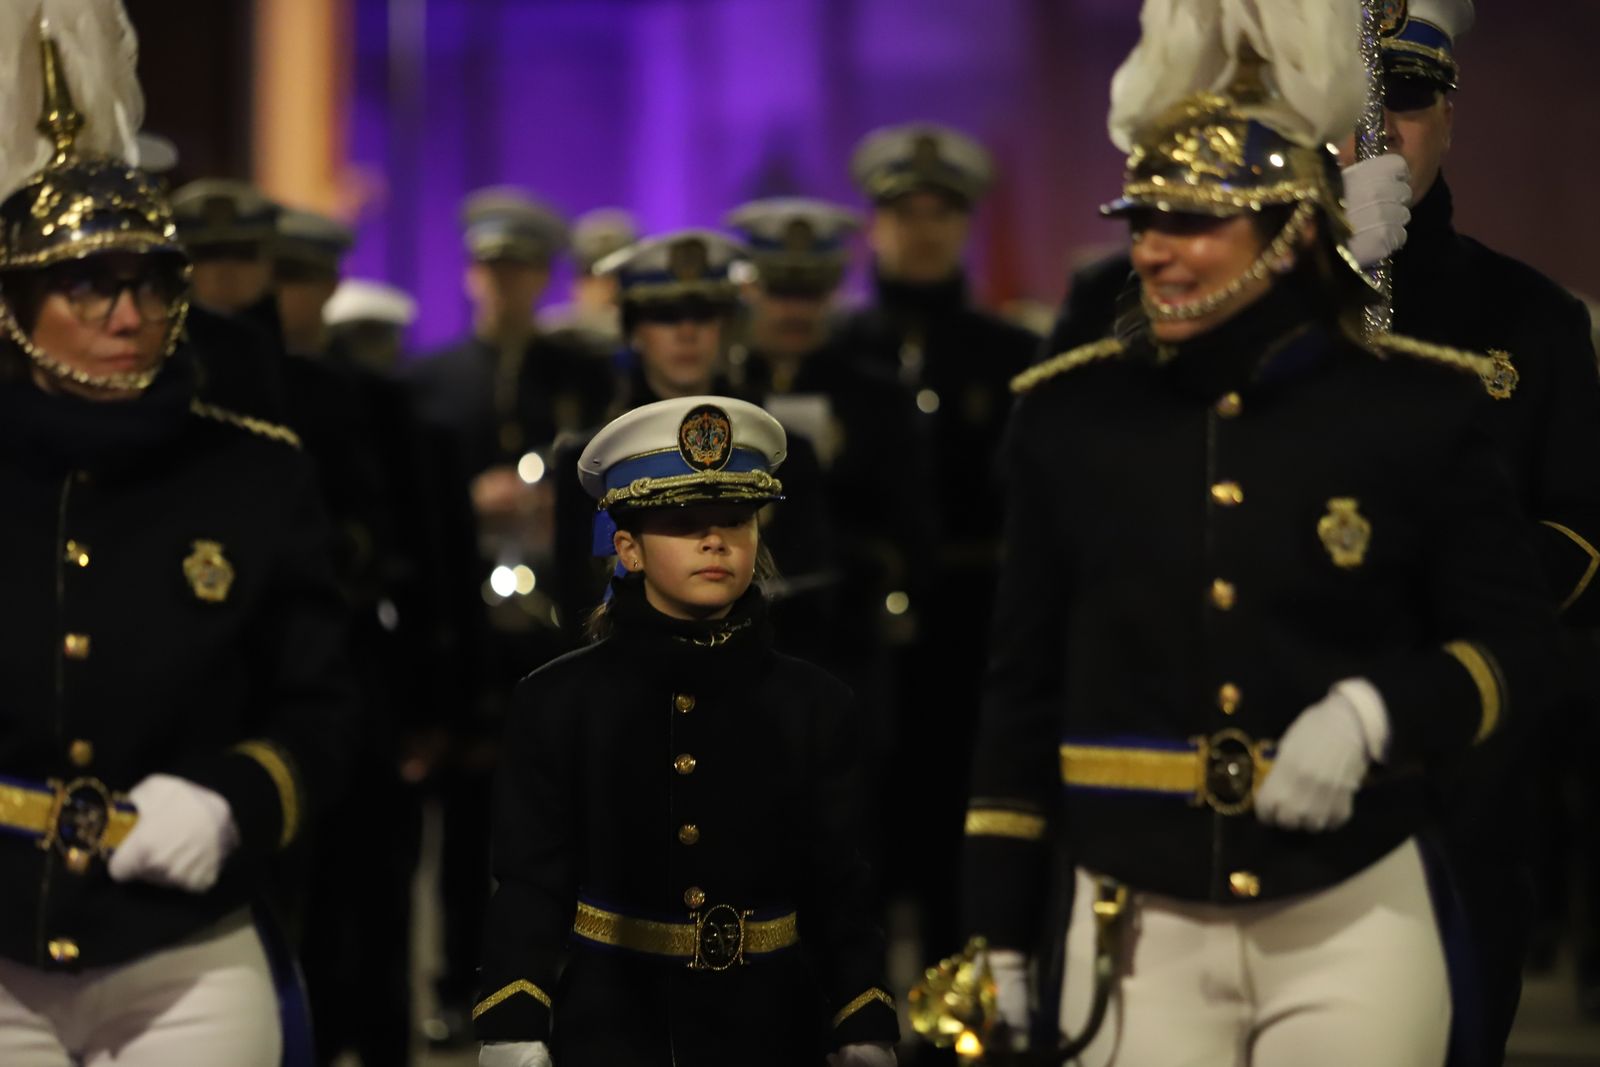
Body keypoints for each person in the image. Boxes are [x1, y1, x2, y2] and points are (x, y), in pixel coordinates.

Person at [955, 8, 1559, 1066]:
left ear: (1285, 228)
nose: (1154, 248)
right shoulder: (1069, 416)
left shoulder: (1416, 402)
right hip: (1133, 902)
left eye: (1193, 221)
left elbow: (1516, 641)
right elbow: (1022, 690)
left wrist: (1384, 710)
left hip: (1352, 896)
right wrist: (998, 926)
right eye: (1144, 216)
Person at [0, 9, 354, 1064]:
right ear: (16, 306)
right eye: (89, 283)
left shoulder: (255, 470)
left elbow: (327, 702)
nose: (128, 310)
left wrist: (233, 793)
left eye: (152, 282)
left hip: (184, 948)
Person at [474, 396, 899, 1067]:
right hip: (613, 1029)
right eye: (683, 521)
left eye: (735, 518)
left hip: (774, 1029)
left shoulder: (816, 704)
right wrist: (514, 1019)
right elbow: (531, 880)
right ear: (628, 549)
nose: (715, 539)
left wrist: (862, 1020)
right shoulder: (558, 701)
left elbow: (841, 889)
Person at [1359, 1, 1600, 1049]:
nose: (1376, 131)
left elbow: (1583, 532)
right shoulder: (1241, 309)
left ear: (1448, 113)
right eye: (1350, 104)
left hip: (1468, 759)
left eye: (1403, 100)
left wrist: (1445, 641)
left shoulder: (1532, 318)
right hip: (1275, 743)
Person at [406, 187, 614, 1043]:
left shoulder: (577, 374)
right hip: (467, 625)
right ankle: (458, 981)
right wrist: (468, 502)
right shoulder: (432, 380)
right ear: (470, 274)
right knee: (462, 824)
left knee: (556, 812)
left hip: (549, 623)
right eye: (494, 267)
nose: (507, 283)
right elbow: (413, 504)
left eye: (523, 267)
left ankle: (556, 976)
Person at [833, 121, 1038, 966]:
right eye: (903, 211)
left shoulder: (1013, 352)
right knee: (860, 836)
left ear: (965, 225)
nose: (922, 230)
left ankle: (962, 1030)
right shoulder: (838, 352)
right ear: (875, 224)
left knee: (964, 830)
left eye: (941, 212)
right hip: (854, 637)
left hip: (971, 627)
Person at [724, 197, 935, 781]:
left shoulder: (877, 394)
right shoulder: (721, 392)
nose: (795, 309)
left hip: (844, 636)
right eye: (781, 290)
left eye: (811, 292)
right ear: (750, 292)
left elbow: (910, 519)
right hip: (736, 637)